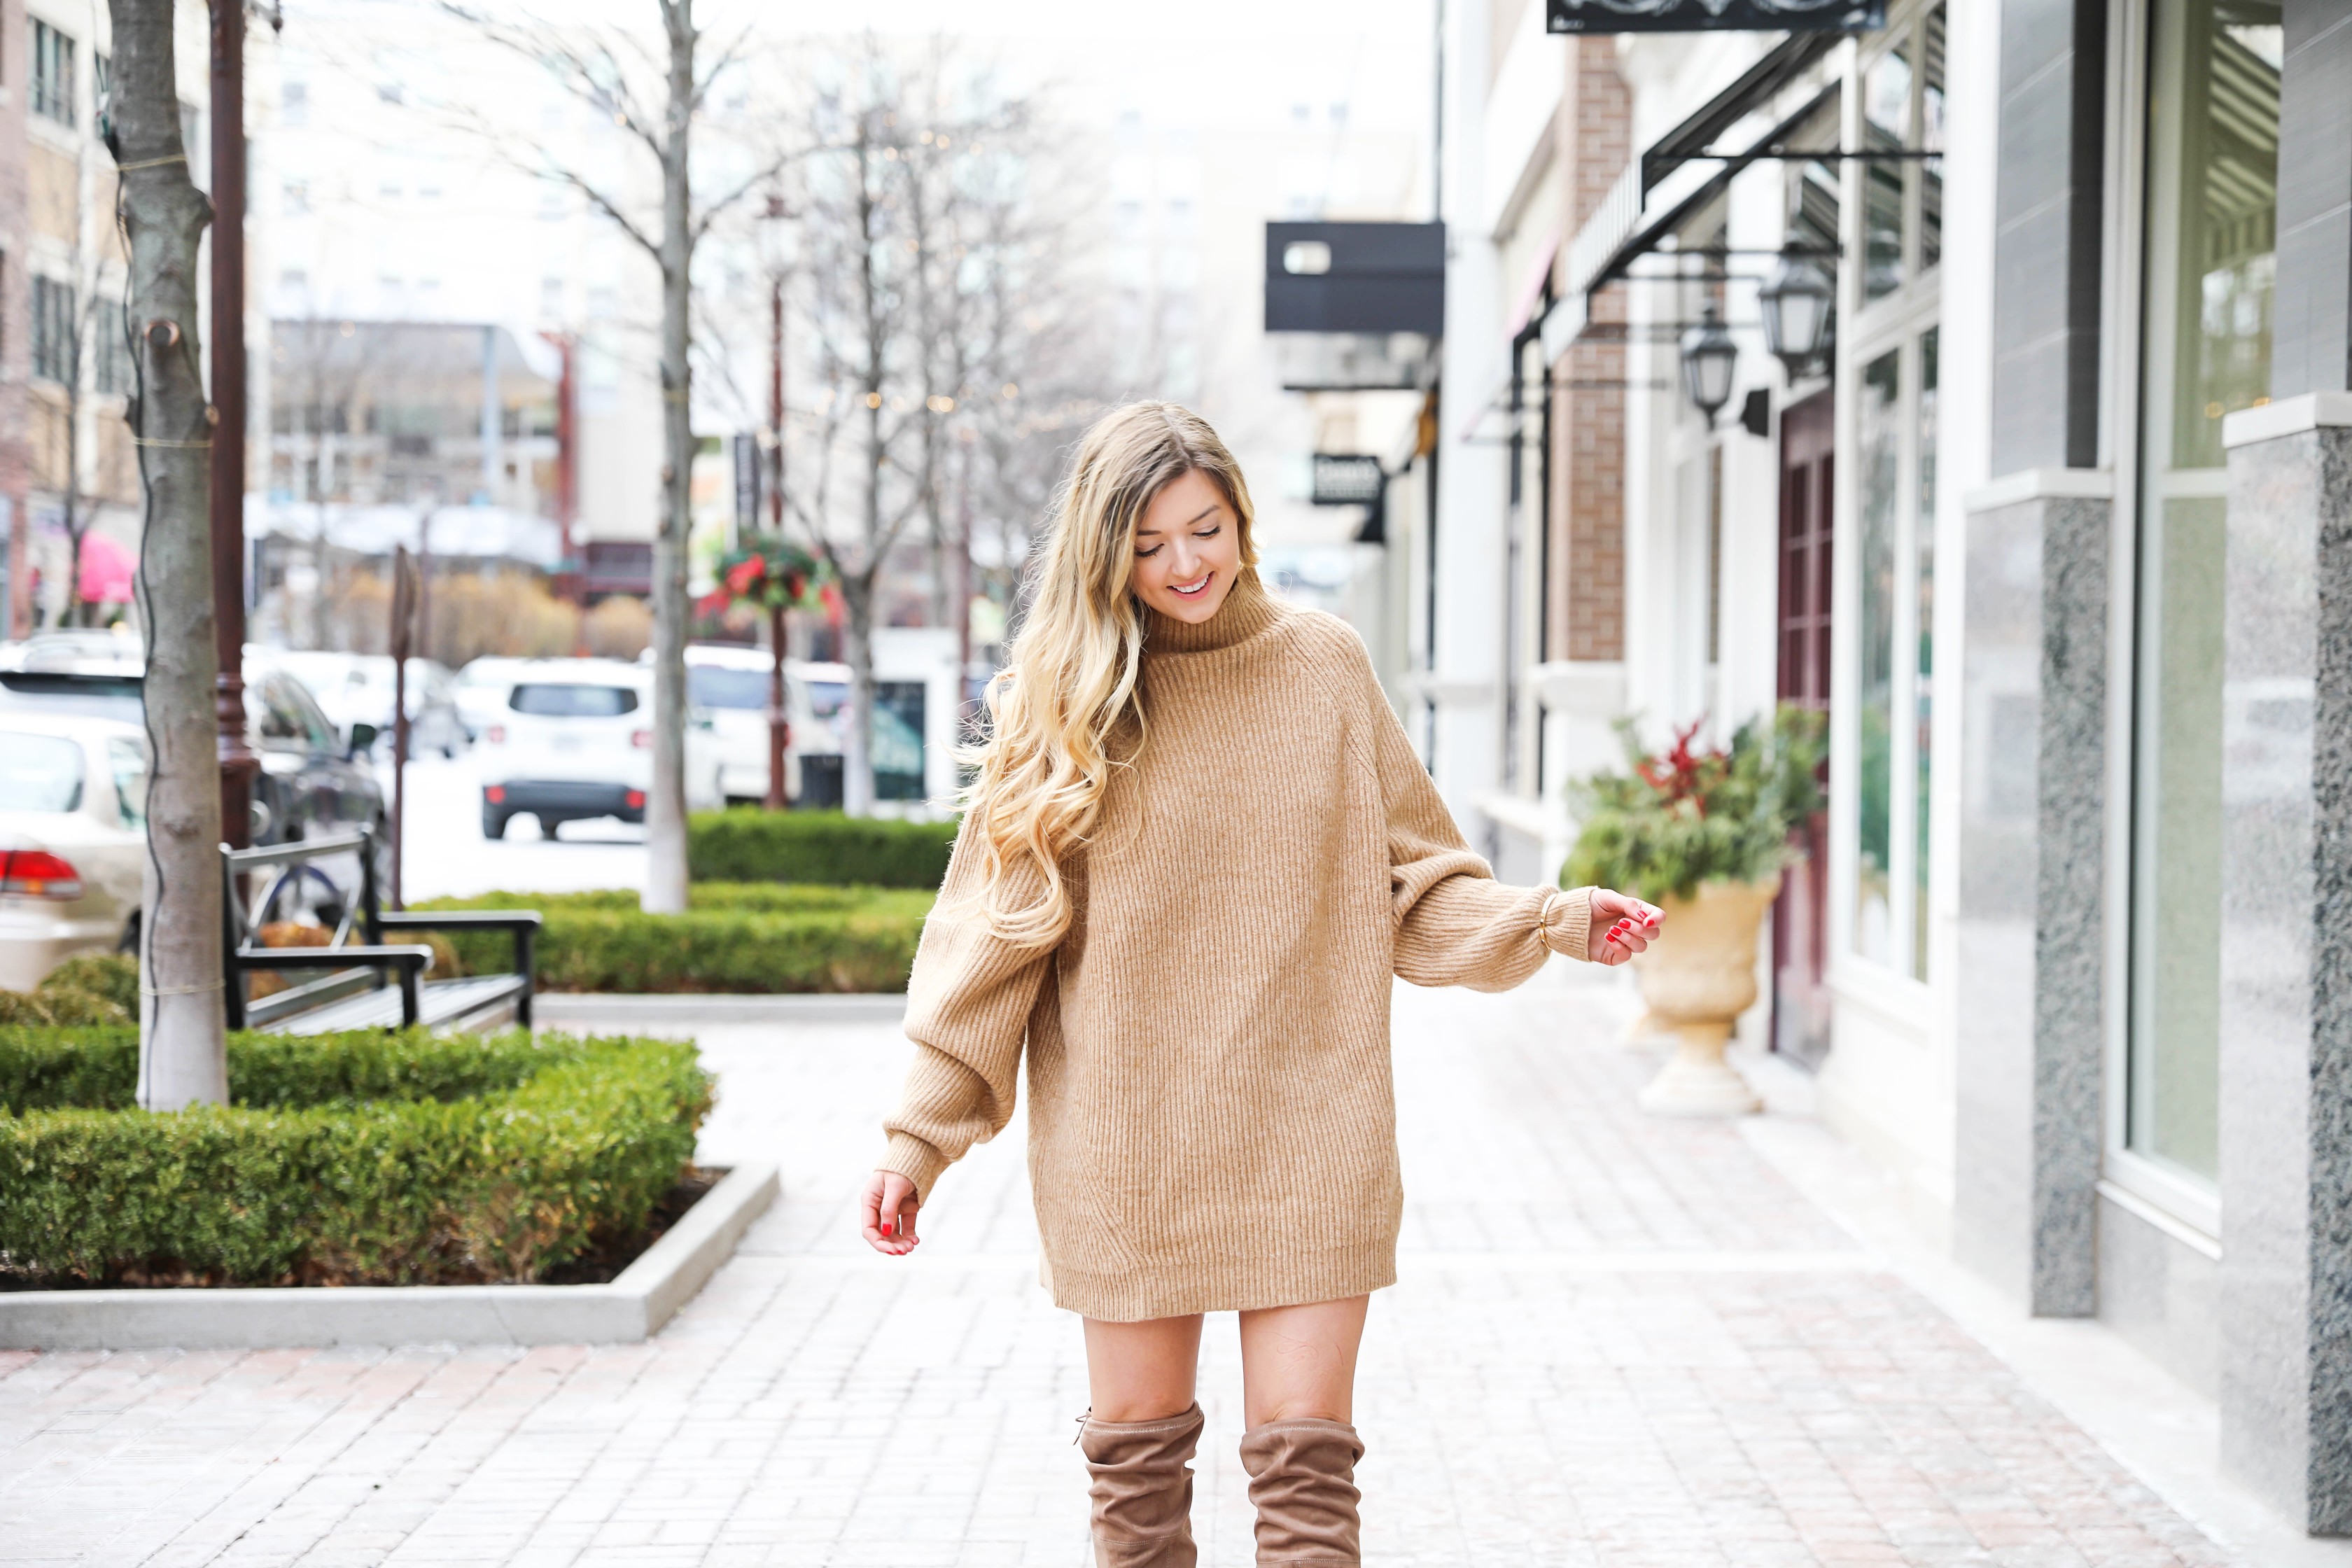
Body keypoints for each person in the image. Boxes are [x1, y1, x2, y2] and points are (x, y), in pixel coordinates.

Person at [859, 402, 1661, 1567]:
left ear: (1241, 515)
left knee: (1307, 1489)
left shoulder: (1322, 667)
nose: (1185, 564)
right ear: (1105, 555)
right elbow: (990, 943)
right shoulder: (1065, 710)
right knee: (1136, 1490)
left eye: (1206, 527)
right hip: (1127, 1150)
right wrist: (915, 1139)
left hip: (1309, 1136)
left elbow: (1417, 889)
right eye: (1148, 544)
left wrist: (1553, 921)